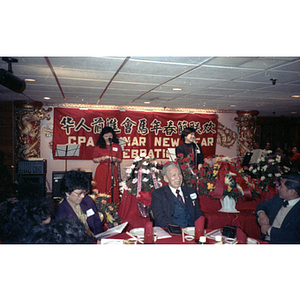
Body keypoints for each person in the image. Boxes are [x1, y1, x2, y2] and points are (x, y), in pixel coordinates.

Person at [150, 163, 203, 228]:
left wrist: (198, 227)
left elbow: (198, 213)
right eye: (174, 175)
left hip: (191, 231)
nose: (178, 177)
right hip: (171, 231)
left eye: (179, 174)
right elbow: (160, 218)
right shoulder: (158, 194)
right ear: (166, 178)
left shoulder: (190, 191)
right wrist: (177, 229)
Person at [54, 170, 104, 237]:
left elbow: (97, 223)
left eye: (85, 192)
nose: (83, 196)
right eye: (79, 193)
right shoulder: (61, 213)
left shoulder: (88, 200)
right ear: (67, 193)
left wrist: (100, 238)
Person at [256, 172, 300, 243]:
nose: (278, 188)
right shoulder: (279, 198)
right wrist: (262, 214)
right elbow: (262, 205)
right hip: (264, 242)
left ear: (292, 192)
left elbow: (296, 237)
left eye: (281, 186)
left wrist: (269, 231)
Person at [93, 126, 123, 204]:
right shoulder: (99, 146)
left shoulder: (117, 146)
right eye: (106, 136)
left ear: (113, 136)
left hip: (113, 168)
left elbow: (120, 159)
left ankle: (113, 206)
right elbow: (94, 159)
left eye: (110, 136)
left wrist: (115, 159)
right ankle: (100, 205)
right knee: (101, 187)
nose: (108, 138)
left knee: (113, 187)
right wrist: (102, 158)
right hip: (102, 169)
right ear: (102, 136)